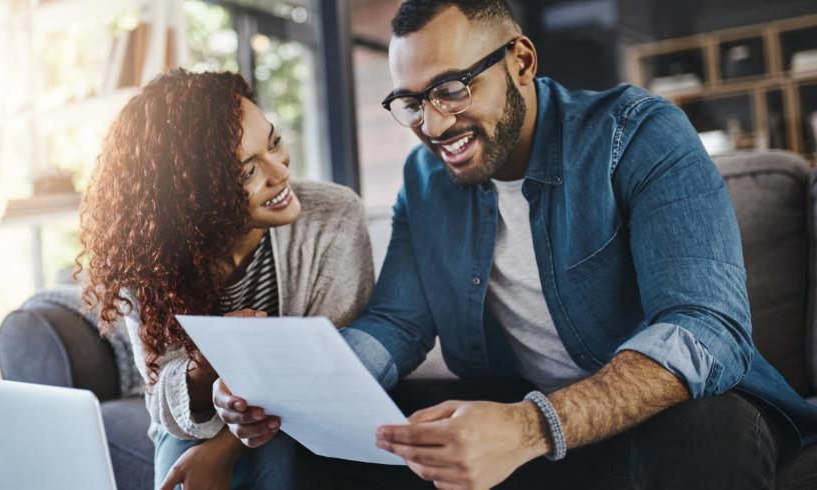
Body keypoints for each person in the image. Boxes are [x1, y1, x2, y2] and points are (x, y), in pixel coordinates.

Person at [212, 1, 817, 489]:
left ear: (521, 61)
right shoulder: (424, 184)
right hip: (522, 410)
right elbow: (396, 323)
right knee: (317, 440)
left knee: (703, 429)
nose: (434, 124)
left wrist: (532, 426)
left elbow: (705, 328)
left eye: (450, 88)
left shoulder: (637, 134)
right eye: (411, 102)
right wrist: (290, 391)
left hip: (669, 414)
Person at [76, 69, 374, 490]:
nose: (280, 173)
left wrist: (220, 452)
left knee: (273, 454)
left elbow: (329, 370)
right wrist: (204, 368)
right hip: (199, 421)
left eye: (274, 143)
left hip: (304, 412)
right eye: (248, 171)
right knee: (179, 464)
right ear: (194, 194)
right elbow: (163, 402)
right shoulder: (148, 255)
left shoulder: (333, 216)